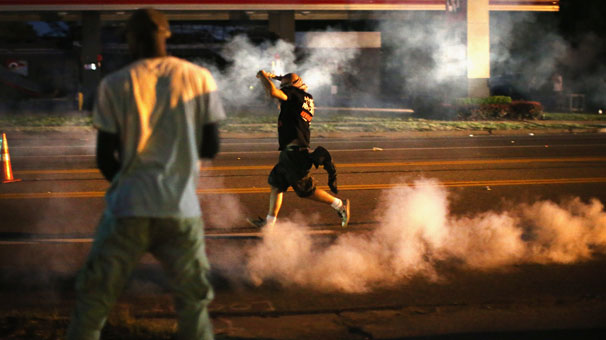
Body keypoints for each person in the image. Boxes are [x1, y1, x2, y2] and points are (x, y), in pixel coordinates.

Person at [66, 8, 224, 340]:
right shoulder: (199, 78)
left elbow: (104, 157)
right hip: (180, 210)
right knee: (193, 305)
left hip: (128, 209)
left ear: (132, 39)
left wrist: (130, 182)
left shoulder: (115, 84)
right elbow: (210, 147)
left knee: (93, 301)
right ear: (166, 35)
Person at [248, 70, 350, 229]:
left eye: (284, 87)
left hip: (295, 152)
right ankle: (269, 224)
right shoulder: (307, 97)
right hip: (290, 151)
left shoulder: (293, 94)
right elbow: (288, 87)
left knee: (306, 191)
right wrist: (277, 78)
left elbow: (273, 92)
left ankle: (339, 205)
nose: (283, 90)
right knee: (277, 184)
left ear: (290, 86)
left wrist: (262, 76)